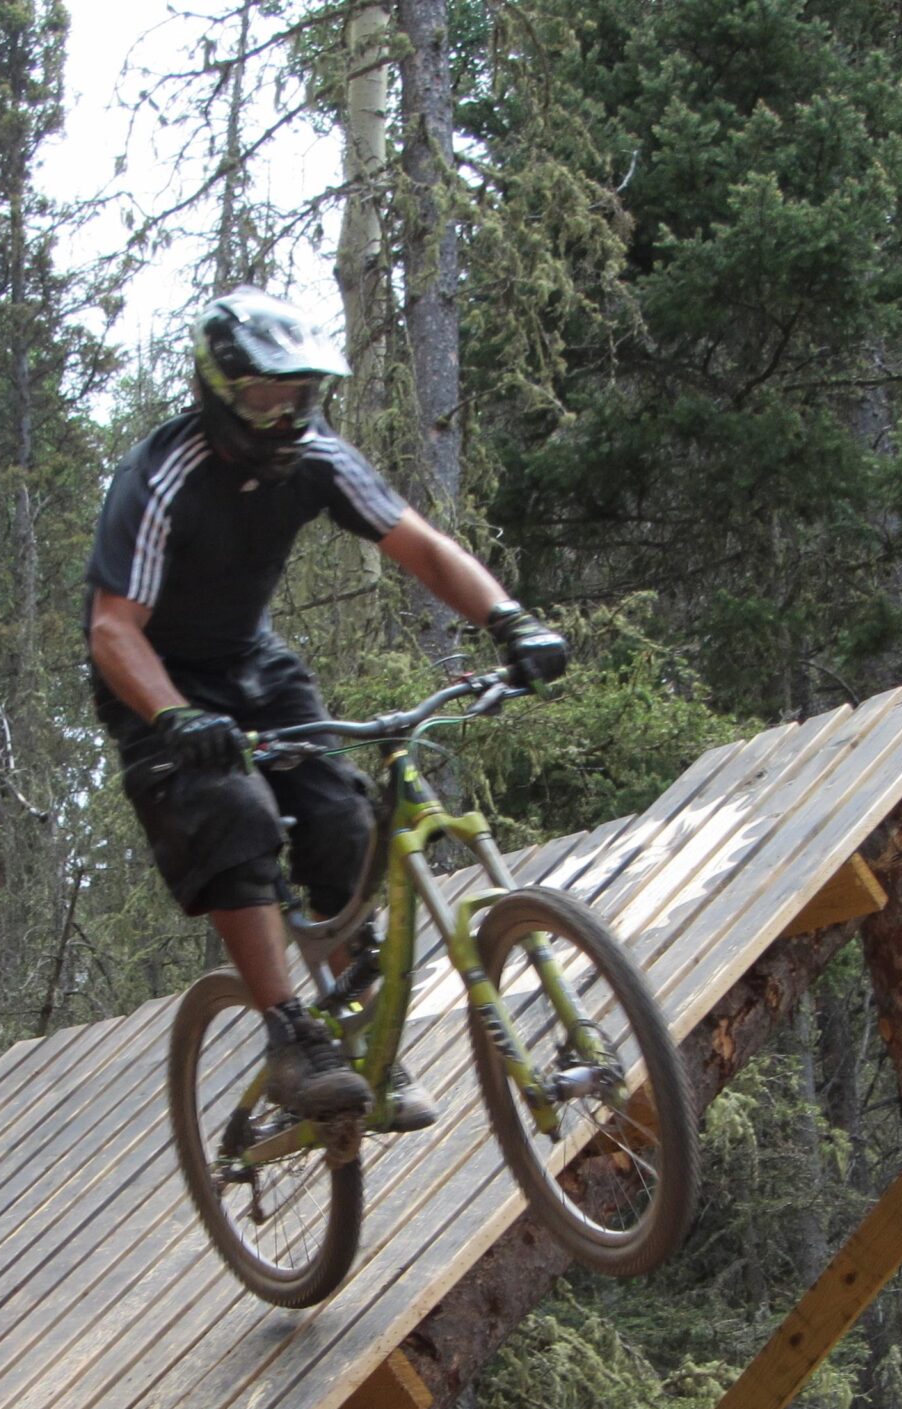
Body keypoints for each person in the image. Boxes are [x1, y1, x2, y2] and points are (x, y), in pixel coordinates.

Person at [86, 287, 567, 1125]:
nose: (283, 416)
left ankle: (359, 1033)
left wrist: (508, 618)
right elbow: (112, 628)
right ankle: (289, 1040)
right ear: (218, 392)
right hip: (157, 684)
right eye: (265, 397)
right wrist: (174, 718)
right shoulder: (161, 477)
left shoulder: (318, 457)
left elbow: (419, 544)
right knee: (233, 818)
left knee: (346, 824)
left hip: (253, 664)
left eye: (298, 396)